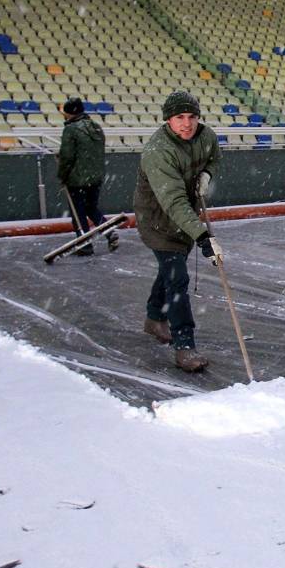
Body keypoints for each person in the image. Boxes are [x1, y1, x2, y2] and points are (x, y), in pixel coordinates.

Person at [133, 90, 222, 373]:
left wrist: (206, 175)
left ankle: (153, 318)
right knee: (177, 278)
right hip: (159, 220)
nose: (187, 123)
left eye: (192, 116)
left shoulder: (205, 137)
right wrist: (203, 236)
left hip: (185, 218)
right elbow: (173, 200)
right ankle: (185, 346)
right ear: (168, 120)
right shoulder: (158, 151)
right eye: (179, 117)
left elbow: (214, 157)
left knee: (171, 271)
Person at [57, 97, 116, 256]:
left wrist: (62, 176)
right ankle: (109, 231)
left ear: (69, 113)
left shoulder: (70, 129)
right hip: (95, 177)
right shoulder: (96, 127)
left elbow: (67, 157)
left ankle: (85, 244)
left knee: (78, 212)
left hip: (77, 179)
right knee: (91, 208)